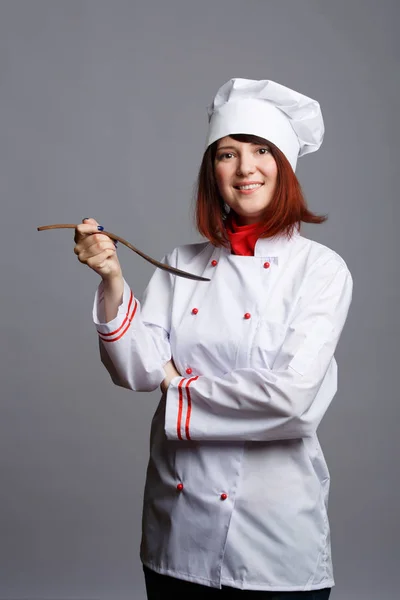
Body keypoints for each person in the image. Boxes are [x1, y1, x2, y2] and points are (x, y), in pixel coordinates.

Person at [73, 78, 353, 599]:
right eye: (228, 154)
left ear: (284, 166)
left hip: (273, 541)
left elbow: (292, 399)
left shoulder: (320, 270)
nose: (246, 168)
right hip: (178, 533)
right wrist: (112, 279)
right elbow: (135, 369)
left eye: (261, 151)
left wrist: (178, 387)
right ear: (213, 172)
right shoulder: (182, 263)